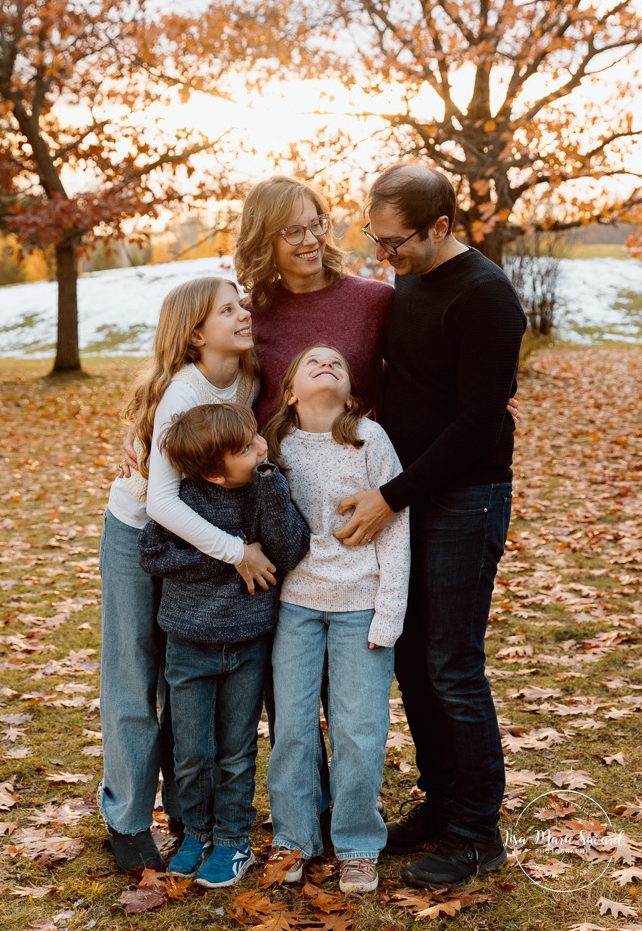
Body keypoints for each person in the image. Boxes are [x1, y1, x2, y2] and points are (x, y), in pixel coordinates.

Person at [333, 164, 527, 888]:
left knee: (450, 665)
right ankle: (440, 807)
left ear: (441, 225)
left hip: (463, 499)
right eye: (378, 243)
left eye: (397, 244)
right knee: (412, 660)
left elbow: (479, 424)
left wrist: (392, 495)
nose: (386, 259)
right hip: (410, 494)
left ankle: (478, 835)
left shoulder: (486, 297)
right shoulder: (408, 280)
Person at [99, 275, 275, 875]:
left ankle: (189, 816)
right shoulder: (182, 392)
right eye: (227, 309)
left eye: (240, 302)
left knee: (186, 668)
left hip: (201, 539)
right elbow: (162, 505)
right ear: (196, 333)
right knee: (134, 668)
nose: (242, 312)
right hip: (140, 528)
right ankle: (126, 819)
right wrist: (238, 552)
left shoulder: (249, 377)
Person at [137, 403, 310, 887]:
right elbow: (154, 554)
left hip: (248, 644)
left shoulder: (265, 490)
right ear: (215, 471)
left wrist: (274, 492)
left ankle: (233, 840)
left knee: (235, 750)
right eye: (245, 447)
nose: (261, 446)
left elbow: (290, 550)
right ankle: (195, 831)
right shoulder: (184, 500)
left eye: (256, 437)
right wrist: (232, 556)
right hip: (188, 645)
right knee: (192, 750)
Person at [261, 345, 410, 895]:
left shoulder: (370, 439)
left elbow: (396, 527)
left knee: (359, 731)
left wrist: (388, 613)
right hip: (295, 607)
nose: (326, 363)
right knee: (292, 730)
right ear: (291, 392)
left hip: (361, 606)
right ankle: (294, 839)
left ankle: (356, 845)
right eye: (312, 362)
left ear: (351, 393)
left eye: (337, 364)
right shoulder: (274, 446)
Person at [234, 175, 394, 426]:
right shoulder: (246, 314)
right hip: (270, 463)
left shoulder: (374, 301)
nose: (311, 240)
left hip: (356, 458)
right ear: (263, 241)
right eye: (293, 232)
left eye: (316, 224)